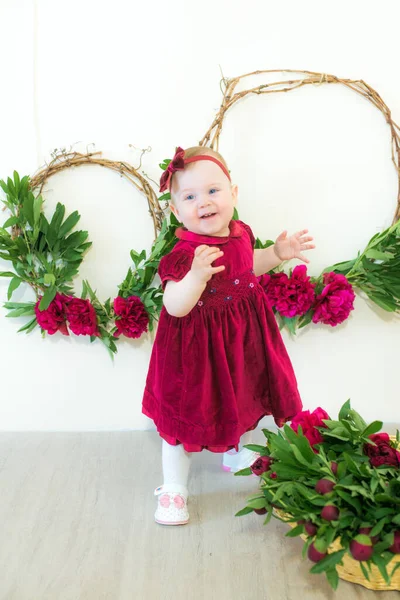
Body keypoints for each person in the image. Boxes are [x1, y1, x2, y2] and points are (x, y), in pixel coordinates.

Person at [142, 146, 315, 525]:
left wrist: (279, 252)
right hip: (193, 353)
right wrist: (195, 278)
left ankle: (233, 452)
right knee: (181, 421)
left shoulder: (240, 235)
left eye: (212, 191)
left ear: (233, 194)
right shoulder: (183, 255)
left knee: (237, 396)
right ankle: (173, 487)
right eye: (189, 197)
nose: (203, 202)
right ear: (176, 211)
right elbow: (174, 305)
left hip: (239, 342)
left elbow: (249, 265)